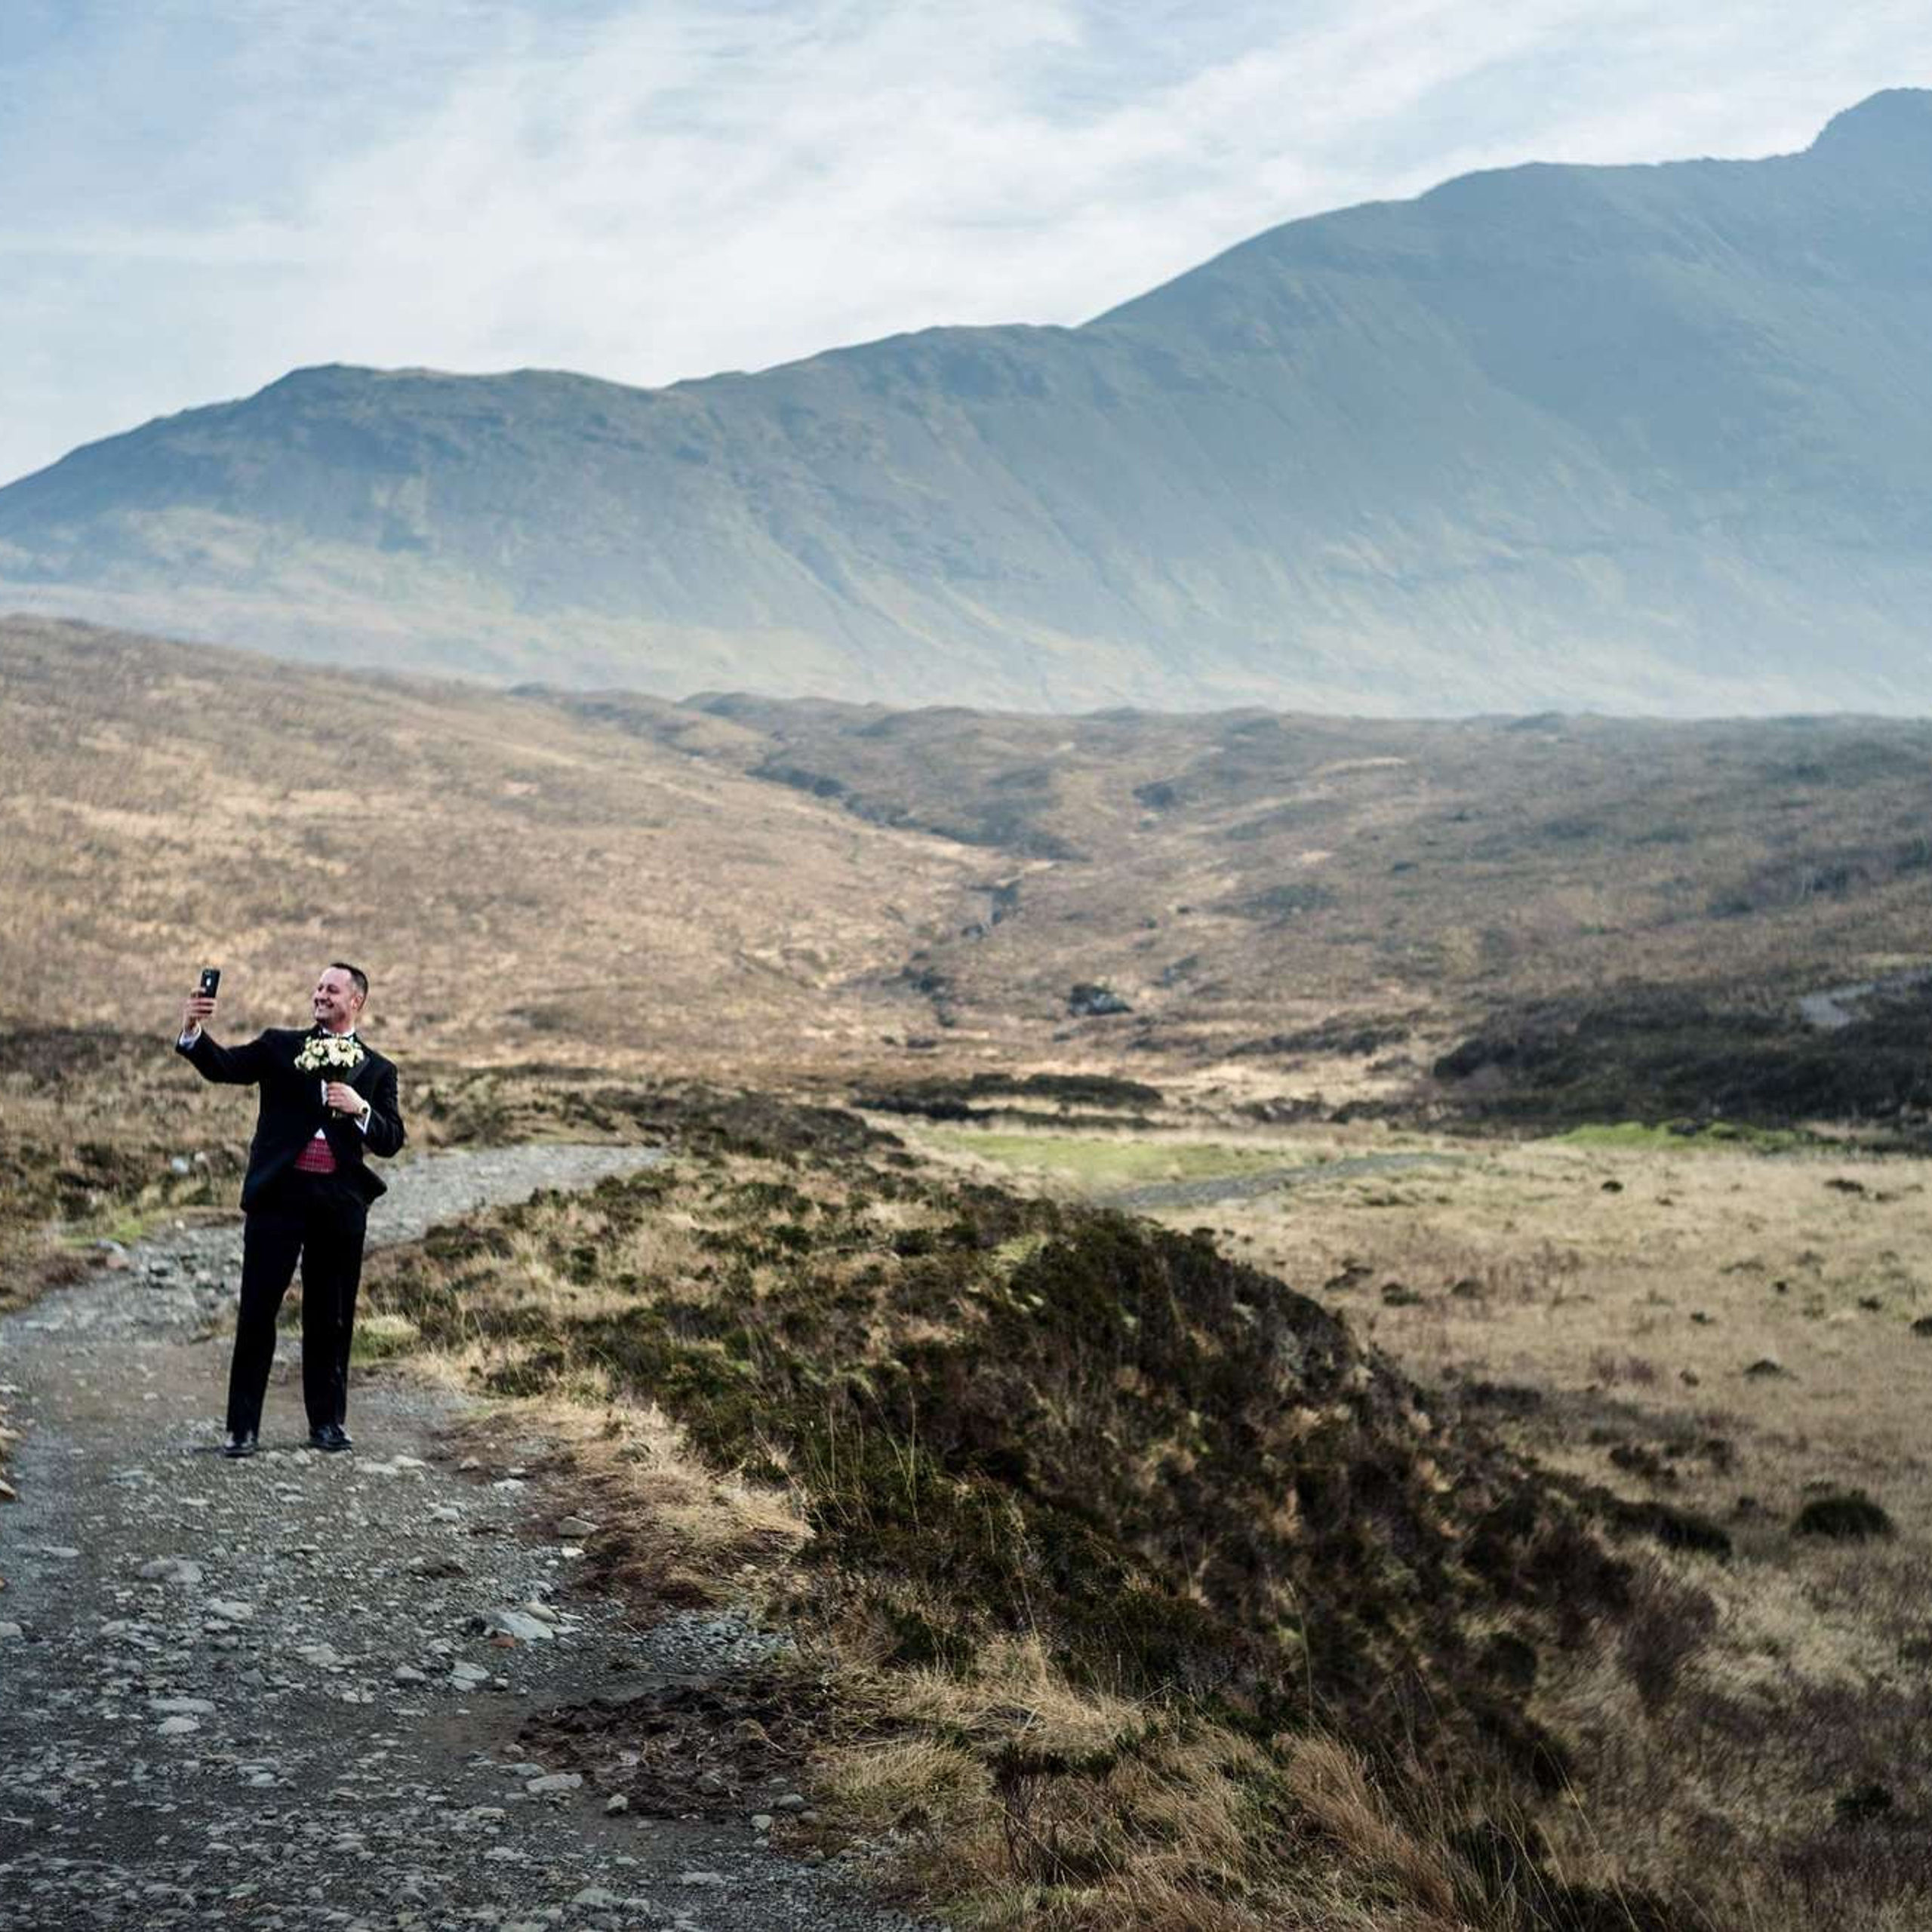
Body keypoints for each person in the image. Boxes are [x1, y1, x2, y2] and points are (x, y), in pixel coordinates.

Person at [176, 963, 405, 1457]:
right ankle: (242, 1430)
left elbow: (392, 1140)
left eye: (332, 989)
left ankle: (327, 1425)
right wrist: (195, 1030)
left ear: (356, 1001)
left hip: (339, 1206)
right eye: (318, 987)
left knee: (331, 1316)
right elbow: (226, 1067)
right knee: (258, 1311)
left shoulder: (379, 1069)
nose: (320, 994)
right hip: (278, 1198)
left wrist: (360, 1108)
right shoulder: (280, 1046)